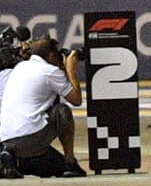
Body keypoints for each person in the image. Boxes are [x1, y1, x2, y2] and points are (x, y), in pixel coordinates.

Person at [0, 36, 86, 178]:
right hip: (30, 140)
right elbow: (76, 100)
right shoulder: (49, 71)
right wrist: (71, 70)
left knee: (54, 165)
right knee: (62, 111)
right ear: (51, 55)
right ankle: (70, 163)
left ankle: (8, 156)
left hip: (6, 139)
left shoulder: (20, 67)